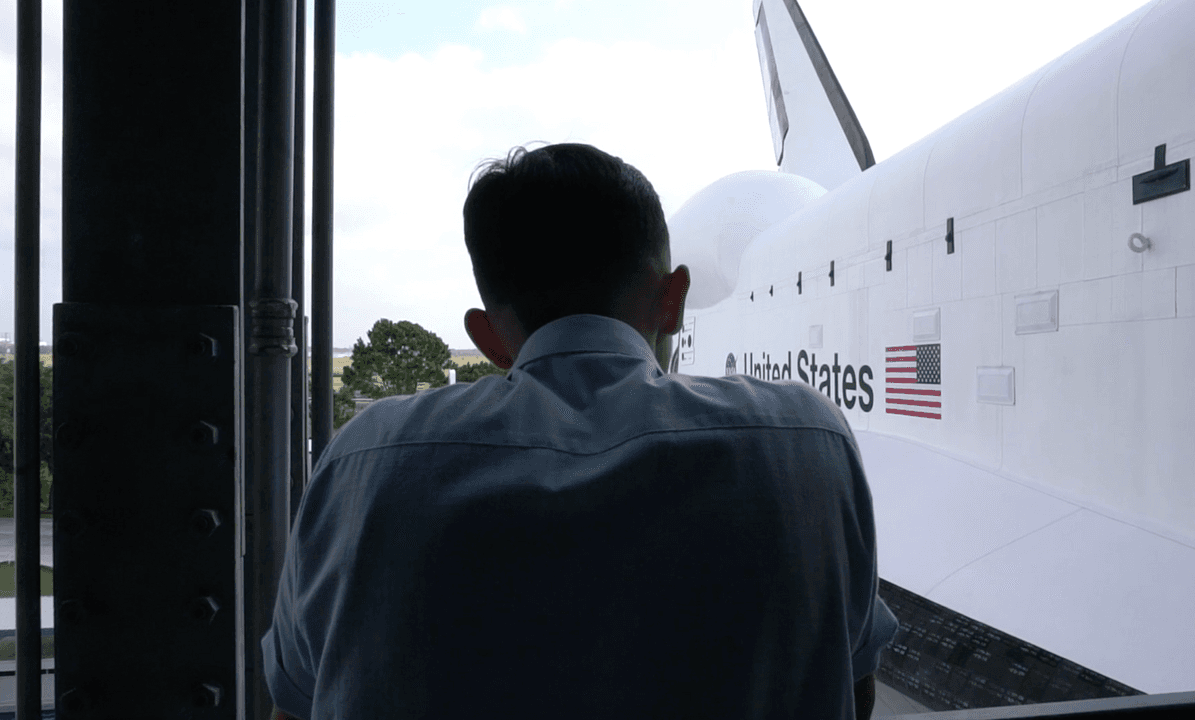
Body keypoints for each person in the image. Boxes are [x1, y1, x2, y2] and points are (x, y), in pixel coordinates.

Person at [261, 142, 899, 719]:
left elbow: (295, 704)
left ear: (488, 339)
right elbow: (856, 690)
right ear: (672, 300)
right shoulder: (808, 439)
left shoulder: (365, 461)